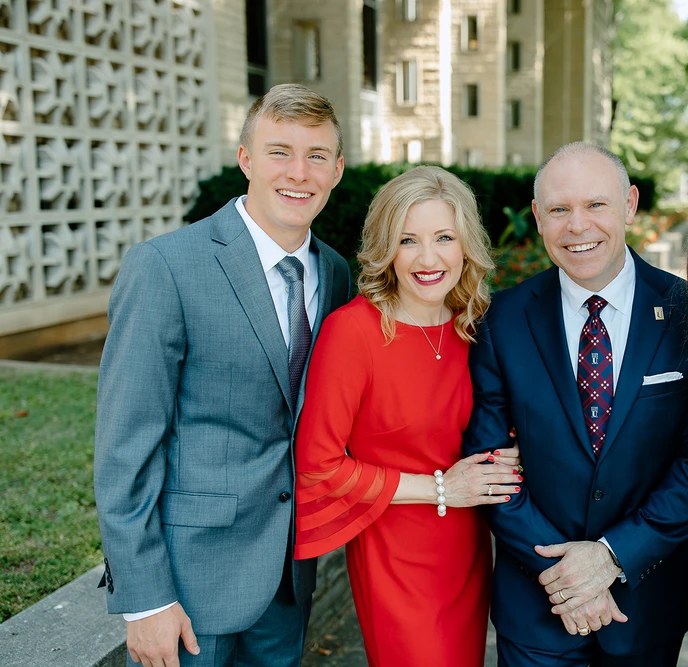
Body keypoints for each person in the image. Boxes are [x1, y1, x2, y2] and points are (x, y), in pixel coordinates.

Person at [93, 84, 351, 667]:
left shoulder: (335, 273)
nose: (299, 172)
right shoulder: (165, 266)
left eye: (316, 156)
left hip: (289, 581)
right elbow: (124, 449)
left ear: (336, 170)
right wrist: (144, 599)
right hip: (187, 588)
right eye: (279, 151)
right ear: (246, 159)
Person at [461, 142, 688, 666]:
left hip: (646, 601)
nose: (577, 226)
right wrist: (567, 578)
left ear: (628, 204)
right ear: (538, 217)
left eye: (595, 205)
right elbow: (489, 465)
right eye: (559, 209)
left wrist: (611, 557)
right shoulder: (502, 321)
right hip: (538, 605)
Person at [292, 165, 522, 667]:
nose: (428, 258)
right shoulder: (352, 332)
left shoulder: (474, 327)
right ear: (385, 249)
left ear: (466, 246)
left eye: (444, 237)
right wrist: (442, 489)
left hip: (468, 545)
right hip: (393, 548)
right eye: (408, 240)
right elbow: (318, 463)